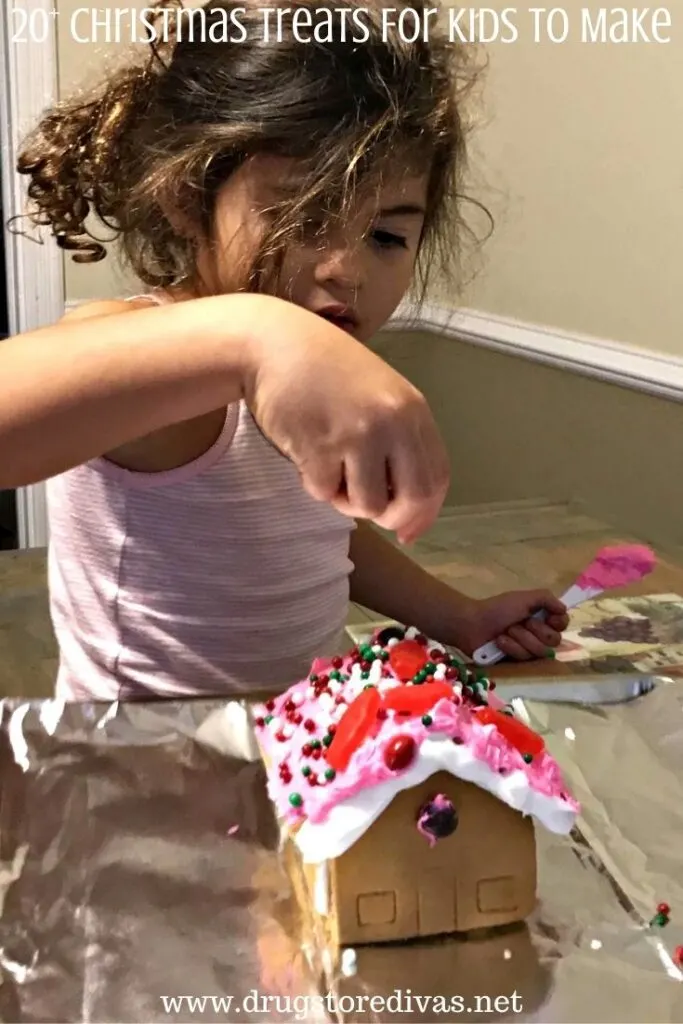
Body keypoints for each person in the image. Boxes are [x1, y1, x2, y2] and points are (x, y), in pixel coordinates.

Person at [0, 0, 568, 701]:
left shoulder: (305, 376)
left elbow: (317, 540)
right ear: (187, 196)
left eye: (386, 237)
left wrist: (457, 615)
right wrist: (250, 338)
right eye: (305, 216)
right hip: (141, 776)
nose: (347, 270)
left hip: (295, 757)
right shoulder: (159, 359)